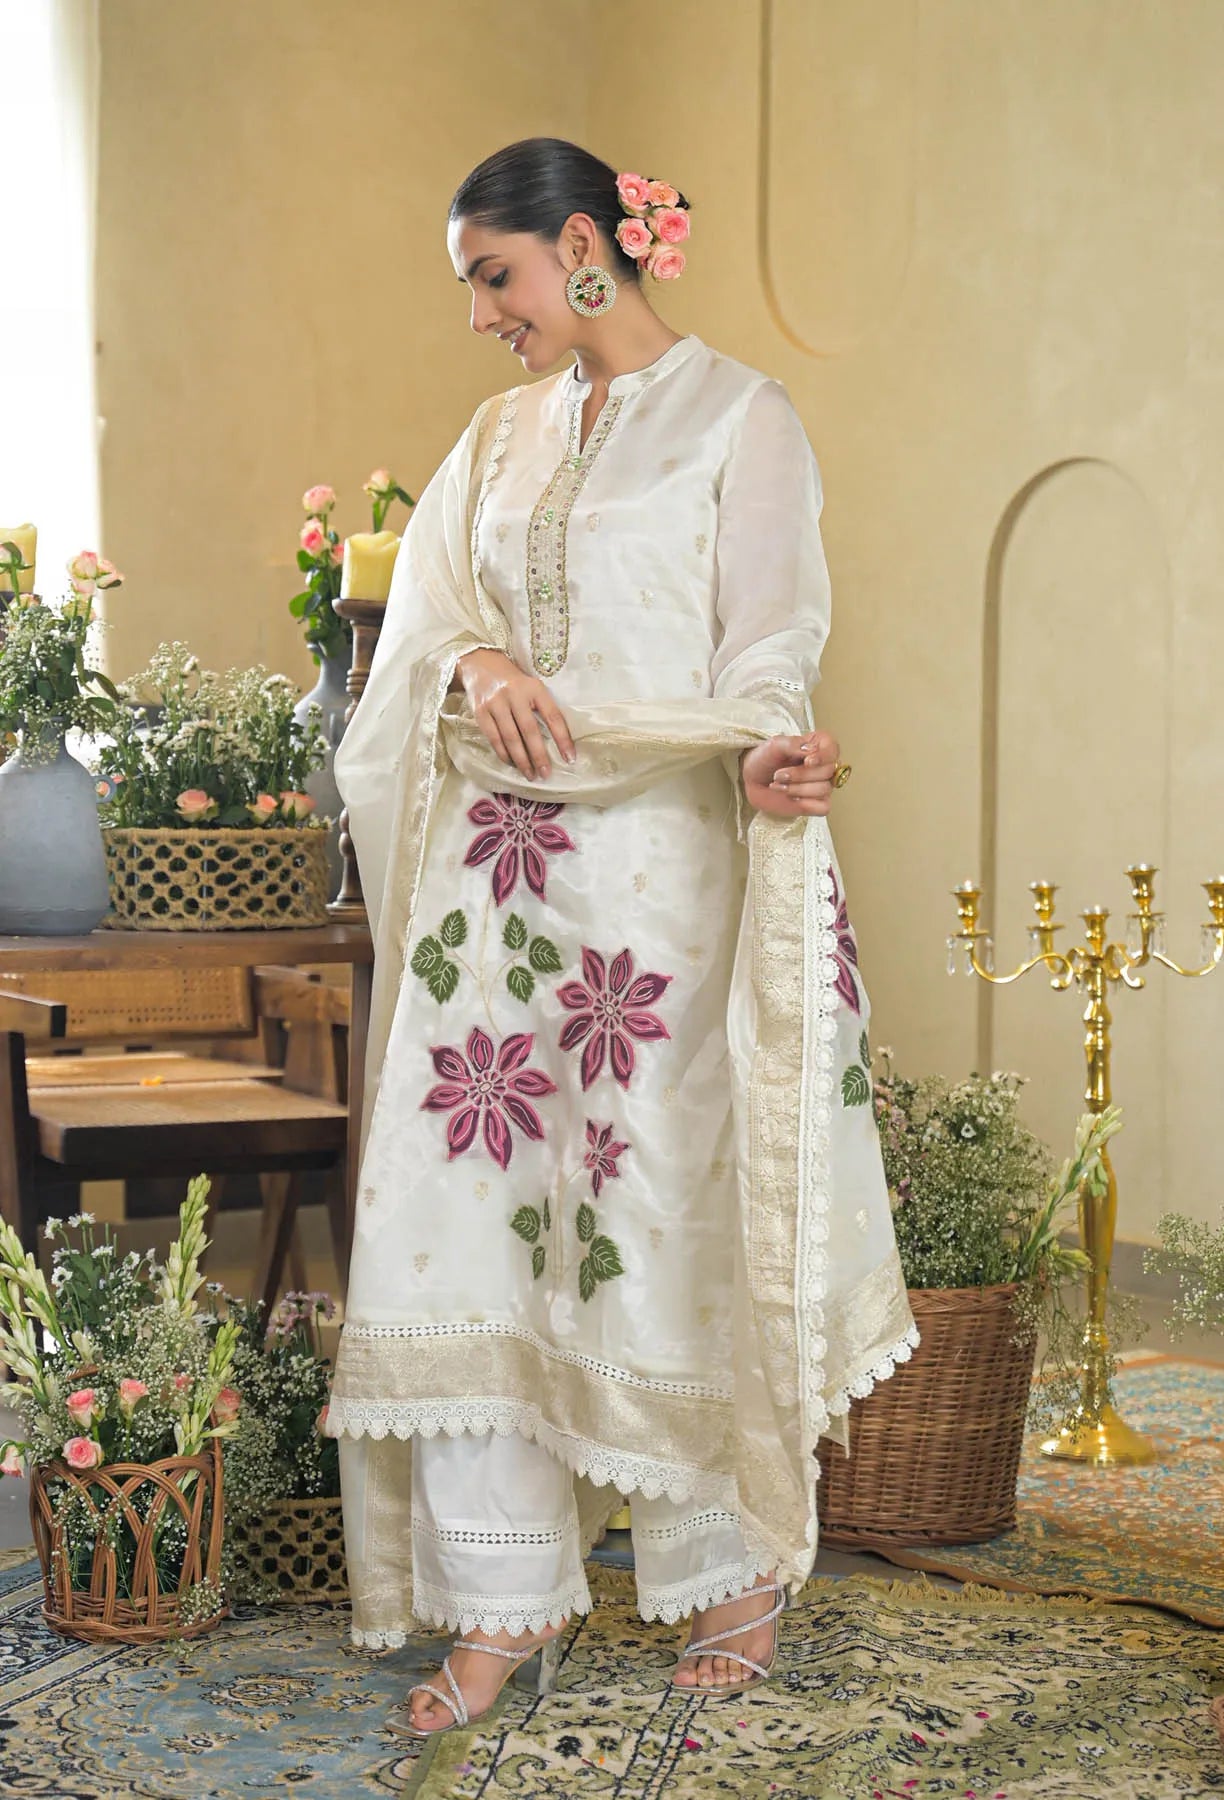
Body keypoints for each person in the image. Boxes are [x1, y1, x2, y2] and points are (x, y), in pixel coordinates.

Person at [325, 137, 916, 1739]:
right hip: (502, 894)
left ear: (584, 247)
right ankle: (501, 1594)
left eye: (491, 276)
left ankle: (726, 1579)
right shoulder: (496, 436)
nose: (478, 316)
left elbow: (772, 635)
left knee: (659, 1208)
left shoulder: (743, 419)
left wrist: (779, 746)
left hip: (665, 883)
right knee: (471, 1218)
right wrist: (469, 674)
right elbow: (433, 622)